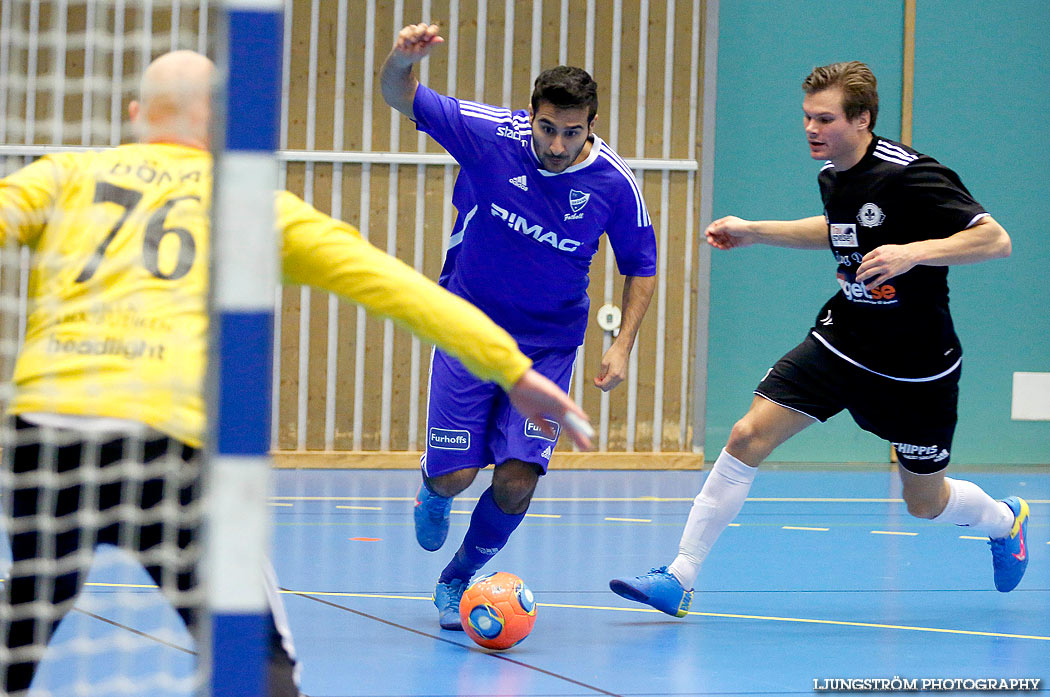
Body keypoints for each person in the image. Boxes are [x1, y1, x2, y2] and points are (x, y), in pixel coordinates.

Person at [0, 50, 593, 697]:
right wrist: (510, 367)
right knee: (261, 665)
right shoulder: (252, 204)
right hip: (166, 449)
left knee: (27, 616)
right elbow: (394, 286)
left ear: (136, 115)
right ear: (225, 122)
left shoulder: (63, 175)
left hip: (46, 437)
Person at [610, 60, 1026, 617]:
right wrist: (754, 230)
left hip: (915, 365)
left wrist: (913, 252)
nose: (811, 129)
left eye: (824, 119)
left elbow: (996, 240)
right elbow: (838, 231)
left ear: (862, 119)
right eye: (806, 117)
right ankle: (678, 576)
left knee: (924, 502)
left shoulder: (910, 174)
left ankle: (1005, 521)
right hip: (844, 339)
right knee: (746, 436)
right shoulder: (833, 174)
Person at [380, 23, 658, 630]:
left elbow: (641, 267)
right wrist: (402, 60)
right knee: (455, 476)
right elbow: (401, 95)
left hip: (550, 347)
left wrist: (623, 344)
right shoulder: (485, 135)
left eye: (572, 132)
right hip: (468, 328)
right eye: (547, 127)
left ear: (591, 125)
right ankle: (433, 487)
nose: (557, 145)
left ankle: (458, 578)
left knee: (515, 483)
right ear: (530, 114)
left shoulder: (614, 183)